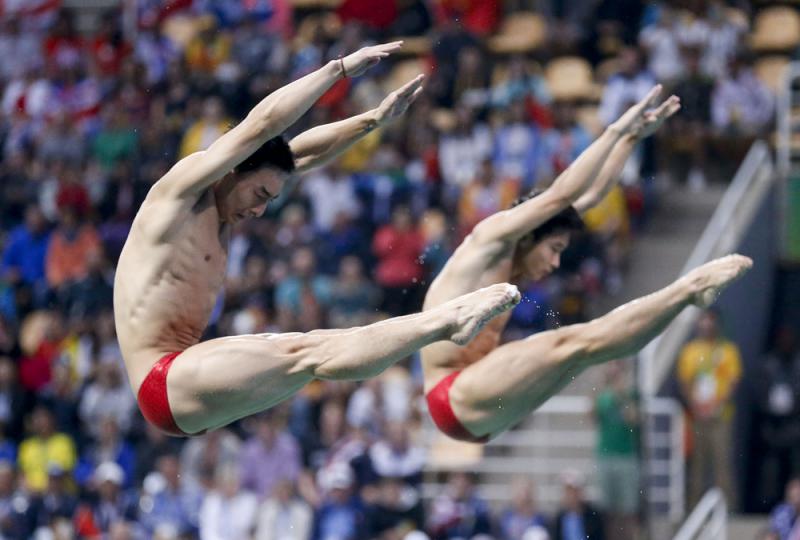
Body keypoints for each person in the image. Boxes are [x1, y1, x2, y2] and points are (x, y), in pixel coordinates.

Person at [114, 42, 521, 437]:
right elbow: (261, 127)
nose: (258, 211)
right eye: (258, 195)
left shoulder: (228, 204)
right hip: (163, 380)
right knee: (307, 352)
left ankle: (442, 323)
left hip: (189, 387)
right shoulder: (179, 193)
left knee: (312, 351)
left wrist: (372, 121)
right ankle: (446, 322)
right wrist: (337, 70)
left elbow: (297, 157)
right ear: (233, 169)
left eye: (269, 202)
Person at [420, 85, 752, 443]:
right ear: (530, 233)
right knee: (573, 342)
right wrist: (615, 131)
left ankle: (686, 295)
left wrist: (631, 141)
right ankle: (689, 290)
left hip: (482, 405)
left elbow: (591, 196)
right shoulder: (491, 238)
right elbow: (563, 193)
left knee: (585, 353)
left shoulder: (515, 256)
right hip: (452, 393)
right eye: (554, 248)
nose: (556, 261)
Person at [677, 309, 742, 508]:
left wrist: (716, 405)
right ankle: (692, 510)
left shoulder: (728, 350)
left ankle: (728, 511)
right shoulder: (690, 351)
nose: (706, 325)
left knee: (722, 463)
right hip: (697, 416)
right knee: (697, 466)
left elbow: (733, 381)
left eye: (710, 321)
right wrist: (696, 406)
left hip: (720, 417)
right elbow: (685, 382)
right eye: (703, 321)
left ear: (717, 325)